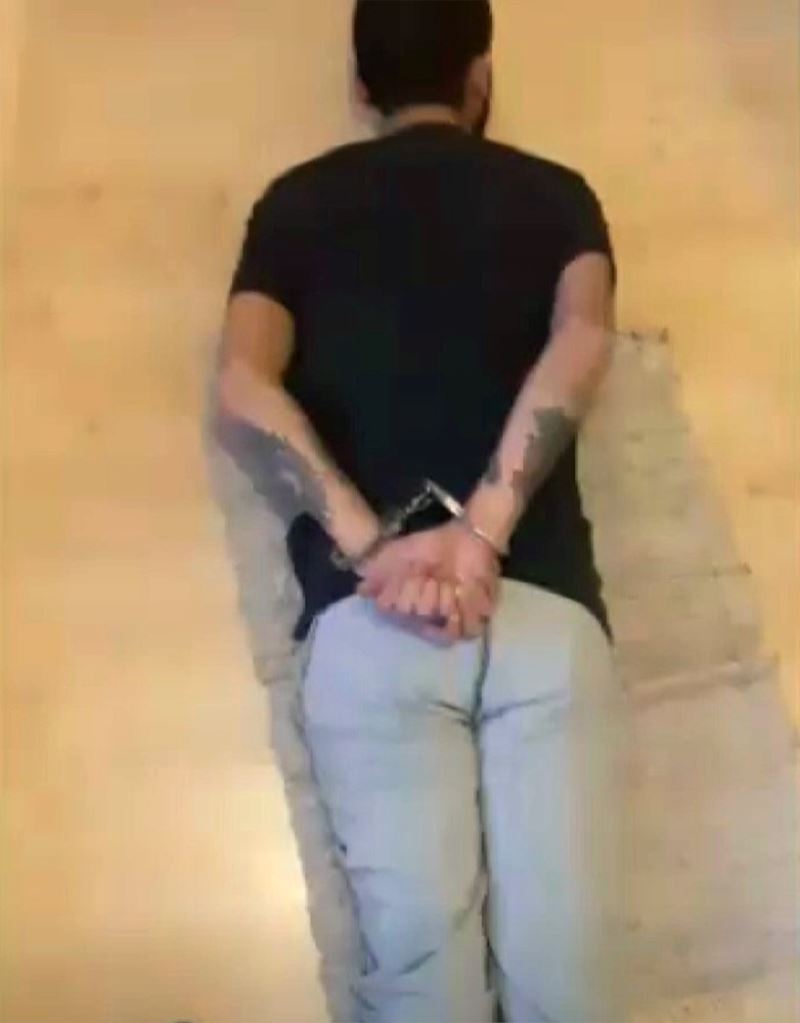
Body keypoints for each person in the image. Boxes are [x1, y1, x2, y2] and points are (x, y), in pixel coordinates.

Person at [215, 2, 627, 1020]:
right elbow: (580, 343)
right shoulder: (559, 194)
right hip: (538, 604)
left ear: (363, 88)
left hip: (372, 618)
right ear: (479, 77)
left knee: (417, 979)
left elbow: (243, 384)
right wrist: (483, 531)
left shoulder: (293, 205)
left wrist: (375, 548)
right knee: (565, 975)